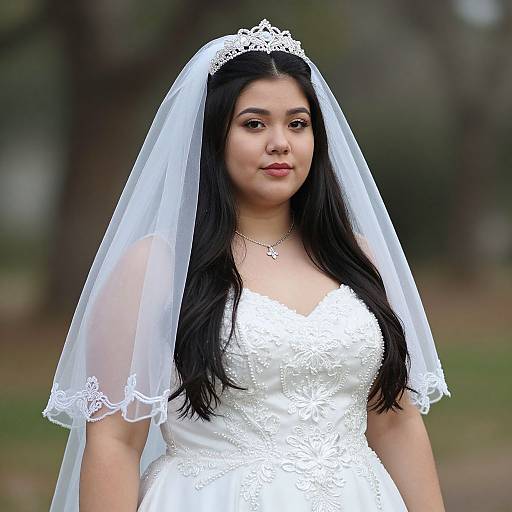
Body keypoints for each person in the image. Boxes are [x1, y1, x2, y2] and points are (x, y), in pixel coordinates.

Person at [43, 19, 451, 511]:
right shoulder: (156, 267)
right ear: (213, 137)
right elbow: (113, 443)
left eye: (298, 124)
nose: (280, 142)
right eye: (254, 124)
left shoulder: (356, 257)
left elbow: (395, 420)